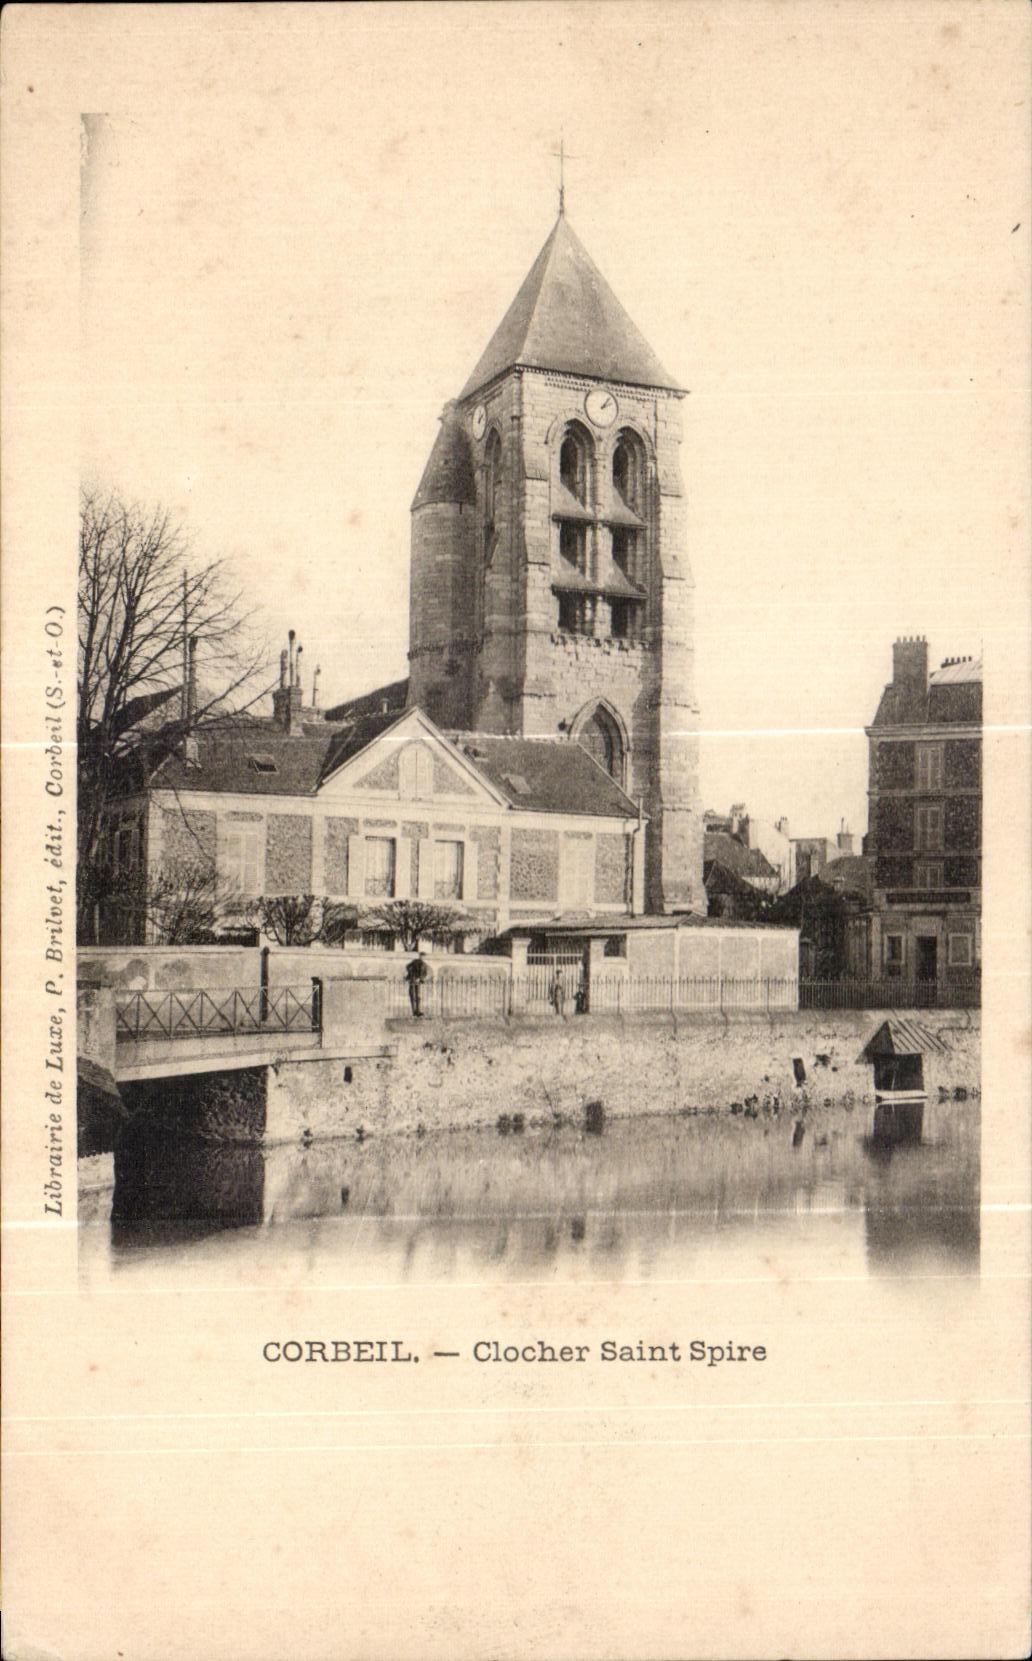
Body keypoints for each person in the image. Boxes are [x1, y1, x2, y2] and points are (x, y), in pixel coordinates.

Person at [405, 950, 430, 1017]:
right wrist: (412, 975)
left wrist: (420, 979)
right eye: (421, 956)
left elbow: (425, 974)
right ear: (419, 956)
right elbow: (407, 967)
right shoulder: (415, 961)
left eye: (424, 957)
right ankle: (414, 1011)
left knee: (418, 996)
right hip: (413, 980)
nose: (423, 958)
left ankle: (418, 1011)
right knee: (412, 995)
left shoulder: (425, 965)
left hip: (418, 982)